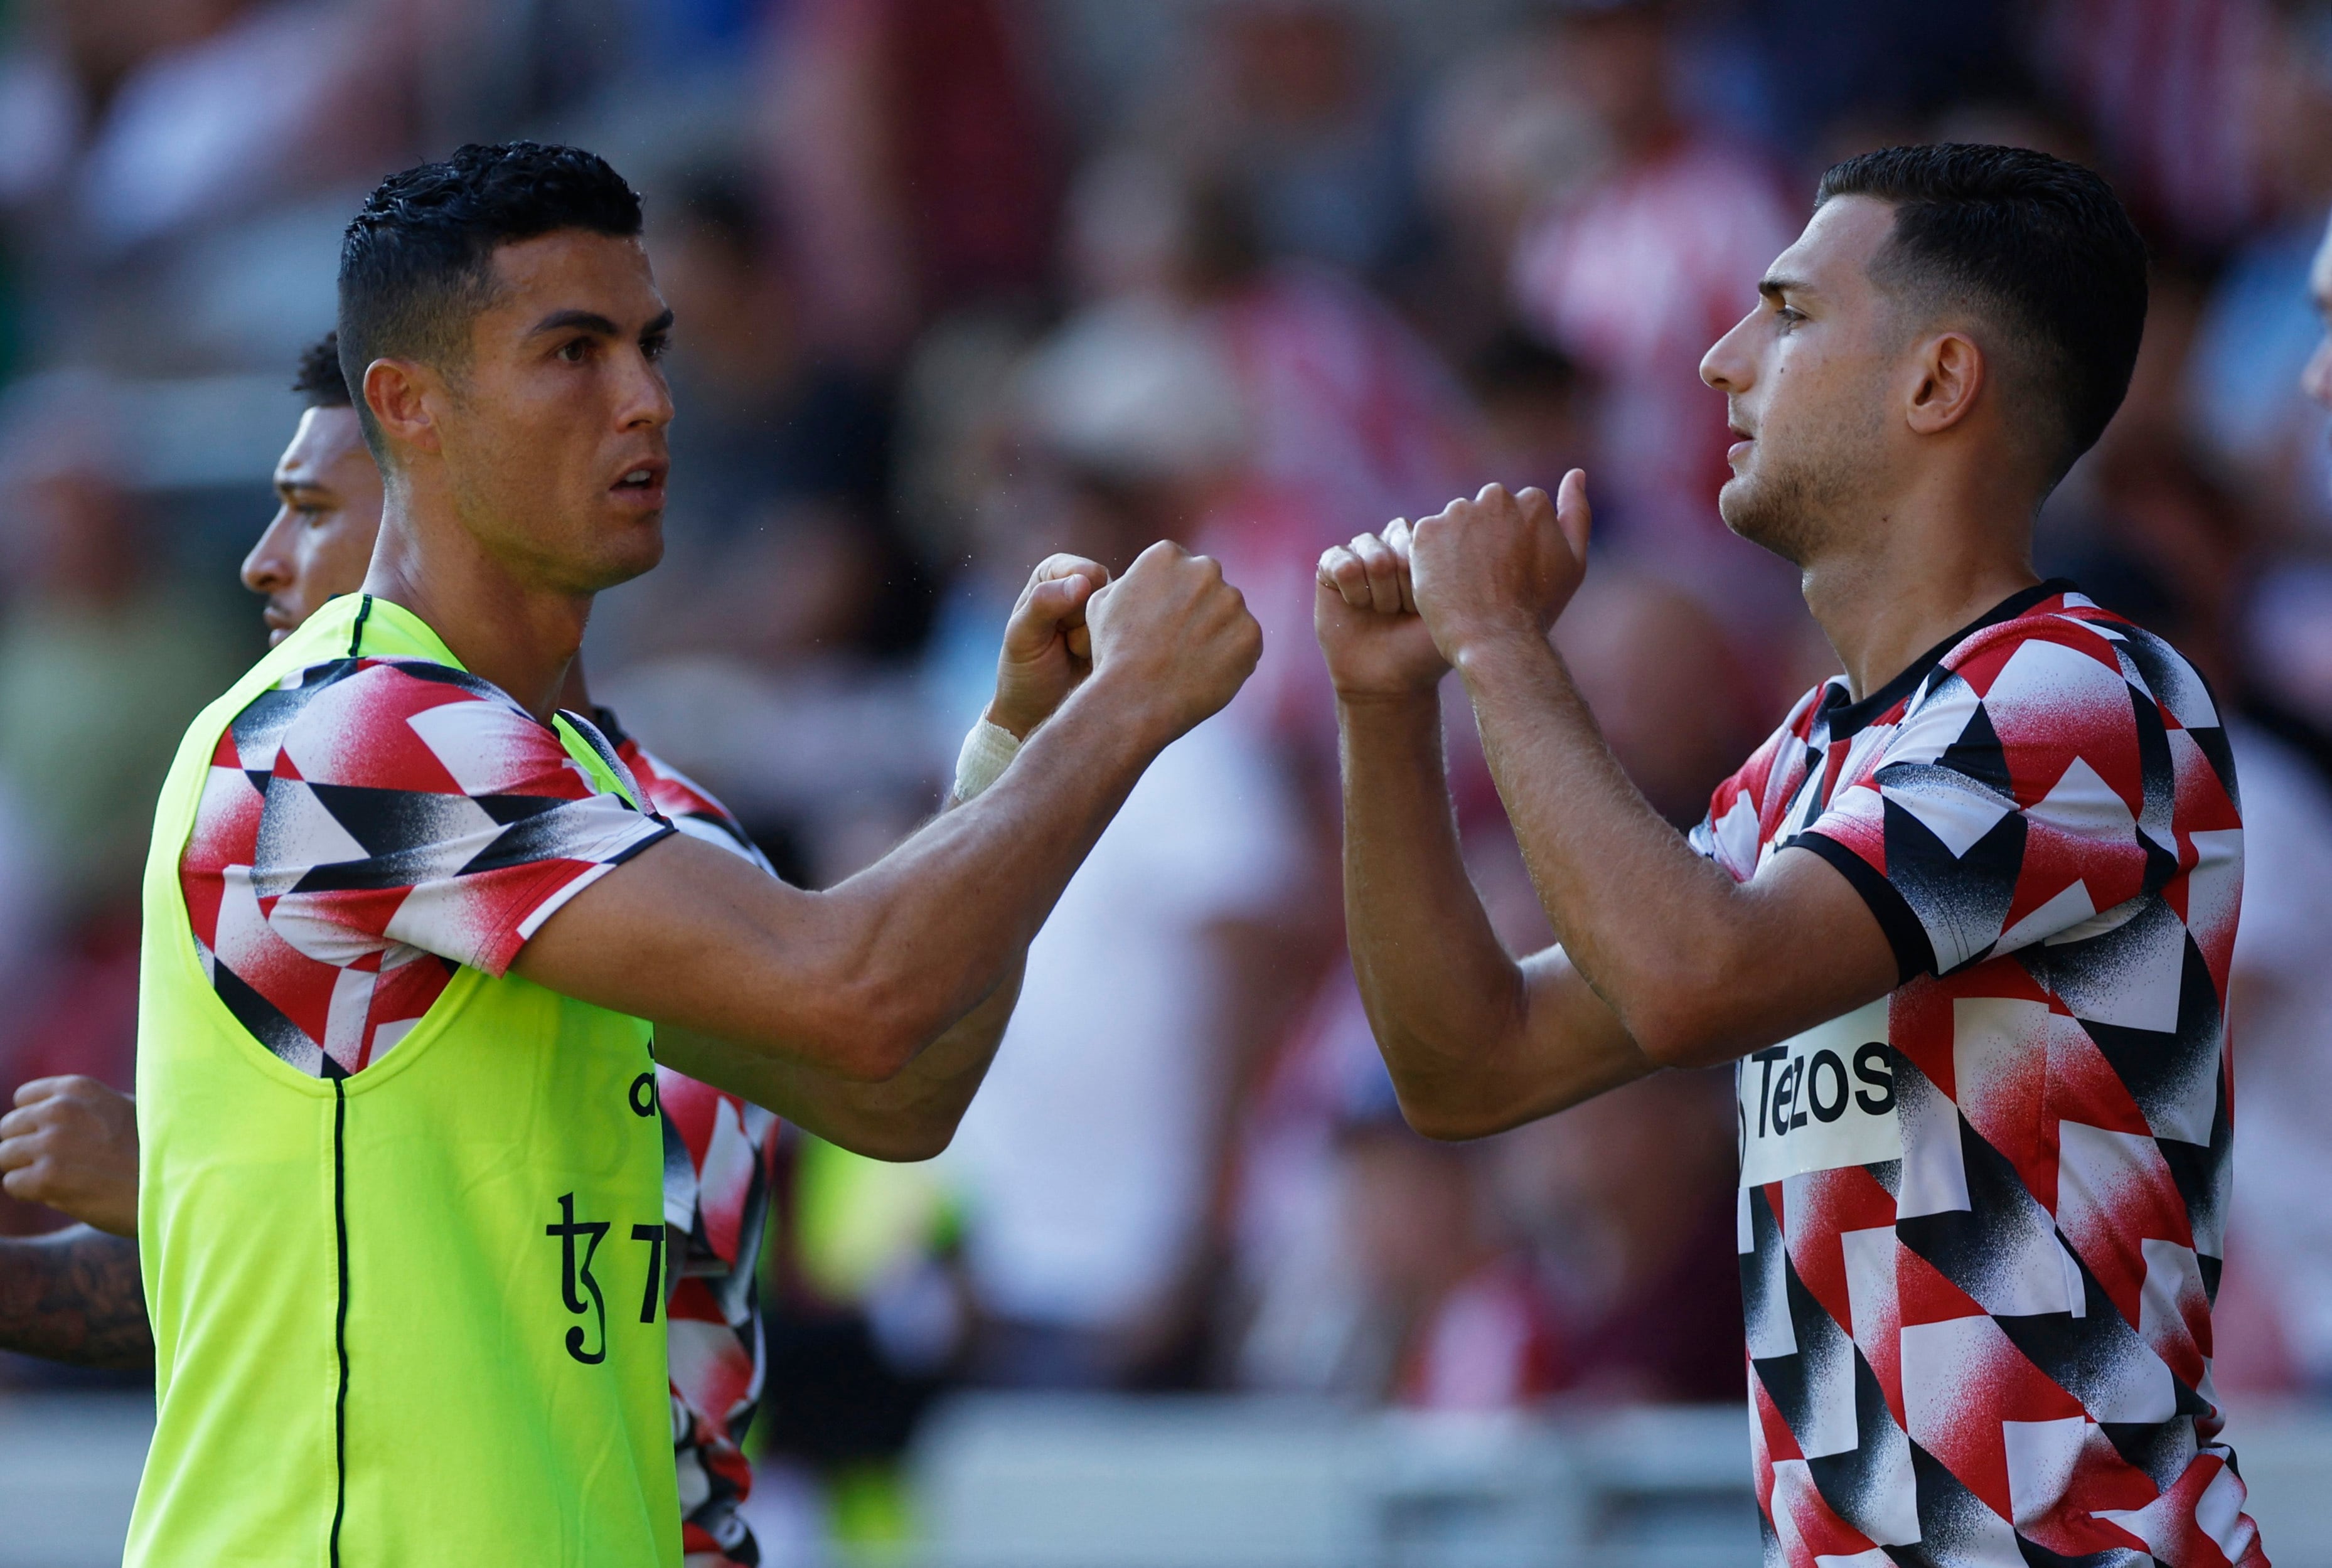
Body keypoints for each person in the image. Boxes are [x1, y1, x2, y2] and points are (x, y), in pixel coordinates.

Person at [125, 142, 1260, 1568]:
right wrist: (1124, 713)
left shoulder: (601, 791)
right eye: (573, 352)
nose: (649, 398)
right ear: (408, 406)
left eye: (649, 346)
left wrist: (1020, 749)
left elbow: (894, 1086)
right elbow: (862, 993)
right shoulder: (343, 742)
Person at [1317, 144, 2264, 1565]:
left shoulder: (2076, 696)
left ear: (1937, 382)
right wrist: (1385, 704)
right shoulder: (1808, 766)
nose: (1716, 357)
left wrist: (1504, 643)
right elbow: (1470, 1064)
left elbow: (1696, 978)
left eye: (1788, 310)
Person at [1, 329, 806, 1565]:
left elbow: (546, 1284)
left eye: (314, 510)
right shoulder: (349, 799)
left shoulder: (660, 851)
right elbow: (325, 1302)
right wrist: (185, 1205)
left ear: (435, 512)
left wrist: (168, 1185)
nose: (264, 563)